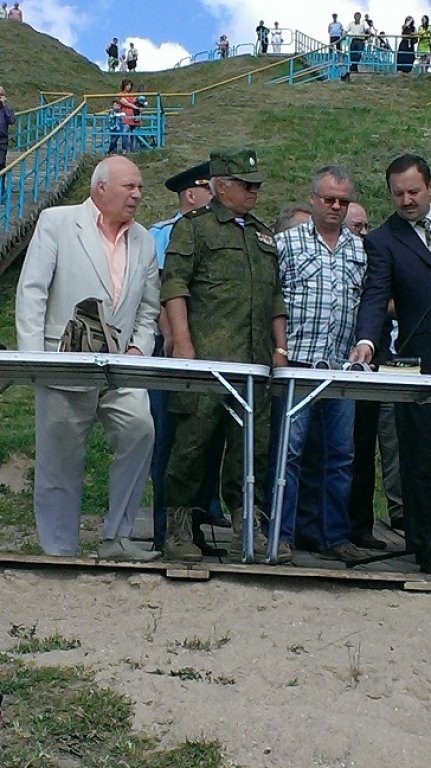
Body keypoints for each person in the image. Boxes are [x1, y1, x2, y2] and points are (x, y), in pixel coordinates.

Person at [15, 156, 160, 562]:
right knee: (59, 460)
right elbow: (32, 291)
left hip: (122, 369)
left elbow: (149, 308)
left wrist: (138, 349)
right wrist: (34, 359)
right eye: (129, 186)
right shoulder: (57, 222)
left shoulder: (145, 240)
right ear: (101, 188)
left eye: (140, 187)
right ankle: (59, 550)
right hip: (63, 364)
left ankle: (117, 538)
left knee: (140, 430)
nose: (137, 194)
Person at [160, 147, 291, 564]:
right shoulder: (194, 228)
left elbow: (275, 296)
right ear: (220, 185)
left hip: (254, 364)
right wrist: (183, 343)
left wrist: (280, 349)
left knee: (252, 449)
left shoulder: (261, 234)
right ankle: (178, 527)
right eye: (245, 185)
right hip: (207, 363)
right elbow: (174, 285)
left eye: (256, 185)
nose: (254, 192)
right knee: (191, 446)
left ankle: (248, 528)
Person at [273, 165, 368, 562]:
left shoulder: (360, 249)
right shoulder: (285, 243)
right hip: (296, 363)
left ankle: (334, 536)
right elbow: (272, 299)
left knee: (340, 455)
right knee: (289, 453)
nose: (336, 206)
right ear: (312, 199)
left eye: (343, 201)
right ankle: (280, 534)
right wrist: (277, 349)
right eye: (329, 199)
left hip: (340, 368)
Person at [352, 153, 431, 573]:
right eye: (398, 194)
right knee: (419, 457)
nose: (406, 200)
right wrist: (366, 340)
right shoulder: (383, 240)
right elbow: (375, 295)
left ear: (429, 187)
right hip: (417, 364)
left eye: (413, 191)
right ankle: (424, 546)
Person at [148, 161, 229, 557]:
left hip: (211, 351)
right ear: (192, 194)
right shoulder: (163, 233)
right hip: (173, 353)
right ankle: (165, 531)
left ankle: (195, 530)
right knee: (170, 442)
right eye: (210, 189)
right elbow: (161, 289)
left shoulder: (221, 233)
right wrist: (172, 337)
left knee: (206, 443)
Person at [344, 11, 370, 76]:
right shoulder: (351, 23)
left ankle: (353, 67)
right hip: (353, 40)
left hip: (360, 40)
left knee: (358, 54)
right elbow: (346, 30)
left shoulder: (363, 23)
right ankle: (354, 68)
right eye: (356, 17)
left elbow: (367, 29)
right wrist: (344, 33)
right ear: (354, 17)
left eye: (358, 17)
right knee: (352, 54)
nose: (357, 18)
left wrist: (370, 32)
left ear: (360, 17)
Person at [0, 85, 15, 200]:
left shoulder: (5, 108)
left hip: (2, 140)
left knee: (1, 164)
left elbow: (11, 120)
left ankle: (1, 190)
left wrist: (5, 105)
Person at [118, 79, 139, 152]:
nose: (129, 86)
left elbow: (137, 102)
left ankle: (133, 150)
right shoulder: (121, 94)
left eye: (130, 85)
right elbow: (125, 103)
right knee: (125, 134)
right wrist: (135, 107)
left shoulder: (132, 95)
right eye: (127, 85)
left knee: (134, 135)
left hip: (134, 117)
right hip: (125, 117)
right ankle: (125, 149)